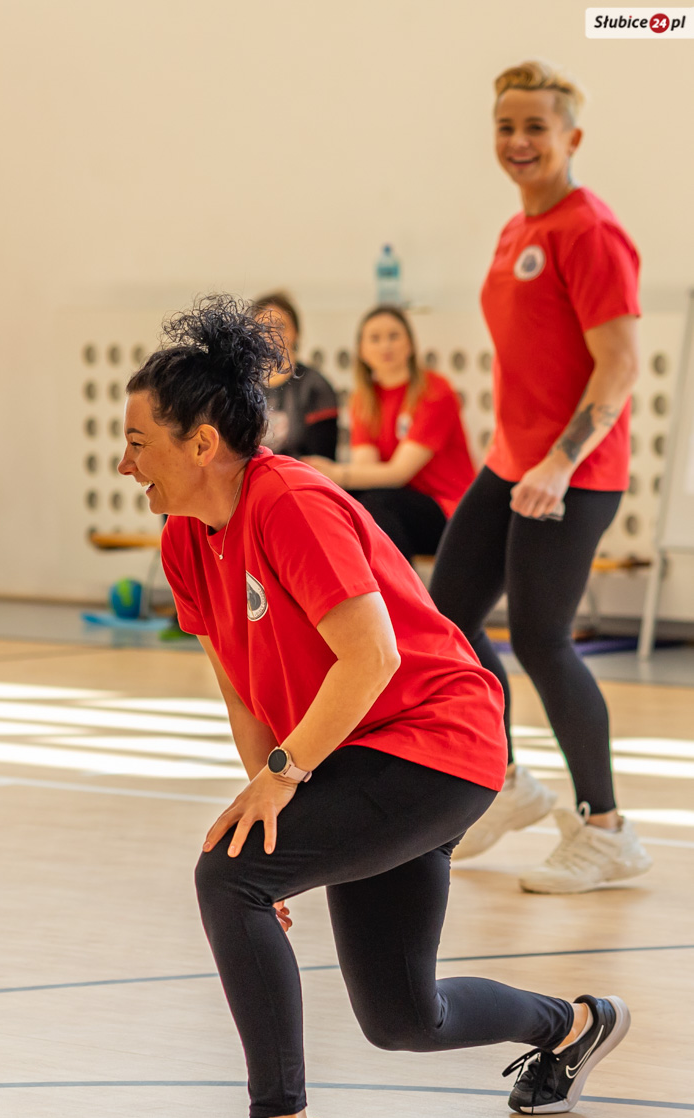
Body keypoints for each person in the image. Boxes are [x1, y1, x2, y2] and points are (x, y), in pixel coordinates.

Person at [118, 296, 630, 1118]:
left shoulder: (290, 502)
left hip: (437, 742)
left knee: (224, 877)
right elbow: (243, 691)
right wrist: (267, 808)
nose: (124, 464)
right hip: (361, 753)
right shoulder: (184, 543)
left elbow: (374, 657)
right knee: (401, 1016)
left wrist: (281, 790)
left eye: (136, 441)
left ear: (201, 443)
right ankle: (572, 1025)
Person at [429, 62, 649, 894]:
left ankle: (607, 829)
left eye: (534, 127)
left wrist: (561, 462)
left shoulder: (588, 231)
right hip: (511, 460)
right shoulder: (516, 229)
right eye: (504, 126)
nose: (517, 142)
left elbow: (619, 365)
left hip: (573, 470)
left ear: (571, 137)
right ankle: (504, 781)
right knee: (448, 617)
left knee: (540, 639)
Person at [304, 305, 475, 565]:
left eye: (394, 336)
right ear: (362, 351)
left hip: (451, 512)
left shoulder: (434, 391)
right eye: (375, 338)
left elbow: (398, 473)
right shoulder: (364, 399)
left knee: (377, 504)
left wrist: (334, 474)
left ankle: (398, 589)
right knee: (348, 505)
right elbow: (367, 469)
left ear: (410, 344)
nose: (385, 345)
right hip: (399, 507)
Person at [251, 292, 339, 460]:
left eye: (280, 327)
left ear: (296, 332)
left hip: (299, 475)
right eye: (263, 328)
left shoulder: (315, 385)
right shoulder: (243, 385)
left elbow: (322, 460)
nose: (271, 334)